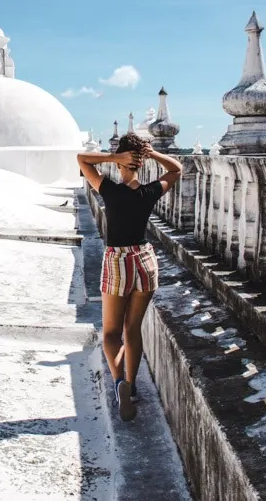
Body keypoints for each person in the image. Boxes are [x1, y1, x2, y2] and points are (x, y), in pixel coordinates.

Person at [77, 133, 183, 421]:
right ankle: (133, 387)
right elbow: (176, 170)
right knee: (132, 329)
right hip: (145, 260)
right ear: (141, 161)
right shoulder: (149, 192)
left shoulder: (110, 190)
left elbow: (82, 159)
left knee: (111, 332)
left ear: (124, 161)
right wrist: (154, 154)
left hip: (118, 261)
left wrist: (114, 158)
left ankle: (119, 381)